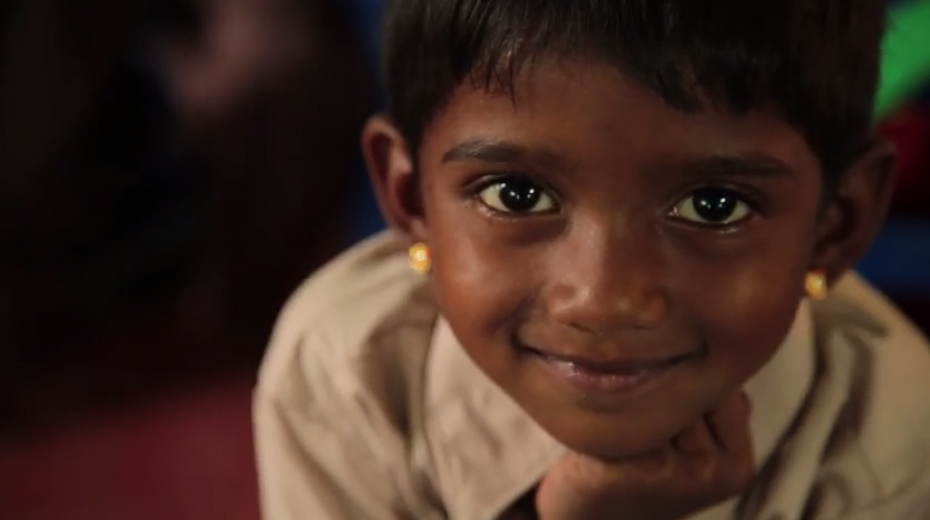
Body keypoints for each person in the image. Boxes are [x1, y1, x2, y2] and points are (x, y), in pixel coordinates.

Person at [253, 0, 930, 518]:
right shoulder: (347, 374)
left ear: (834, 228)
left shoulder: (893, 430)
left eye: (715, 206)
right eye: (516, 195)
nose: (604, 299)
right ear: (410, 199)